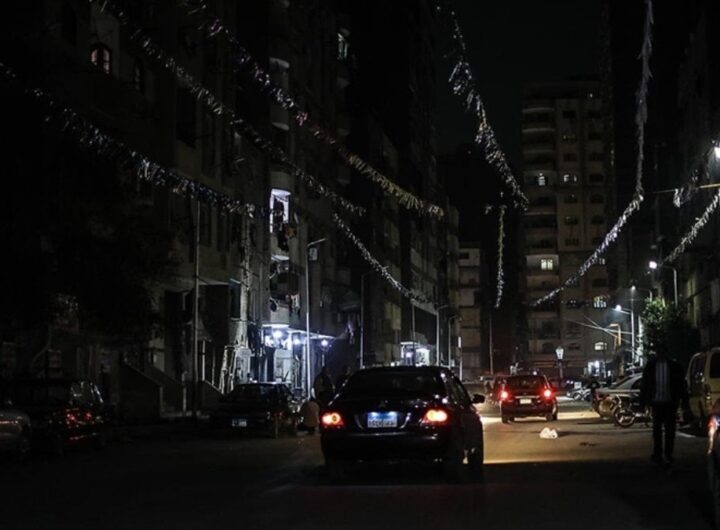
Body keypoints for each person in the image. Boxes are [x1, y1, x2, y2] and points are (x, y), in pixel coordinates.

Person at [639, 346, 688, 465]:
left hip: (669, 402)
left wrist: (683, 400)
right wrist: (644, 401)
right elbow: (645, 384)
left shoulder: (674, 366)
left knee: (669, 430)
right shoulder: (651, 366)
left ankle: (668, 454)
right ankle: (658, 454)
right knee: (657, 430)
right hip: (657, 402)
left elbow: (681, 384)